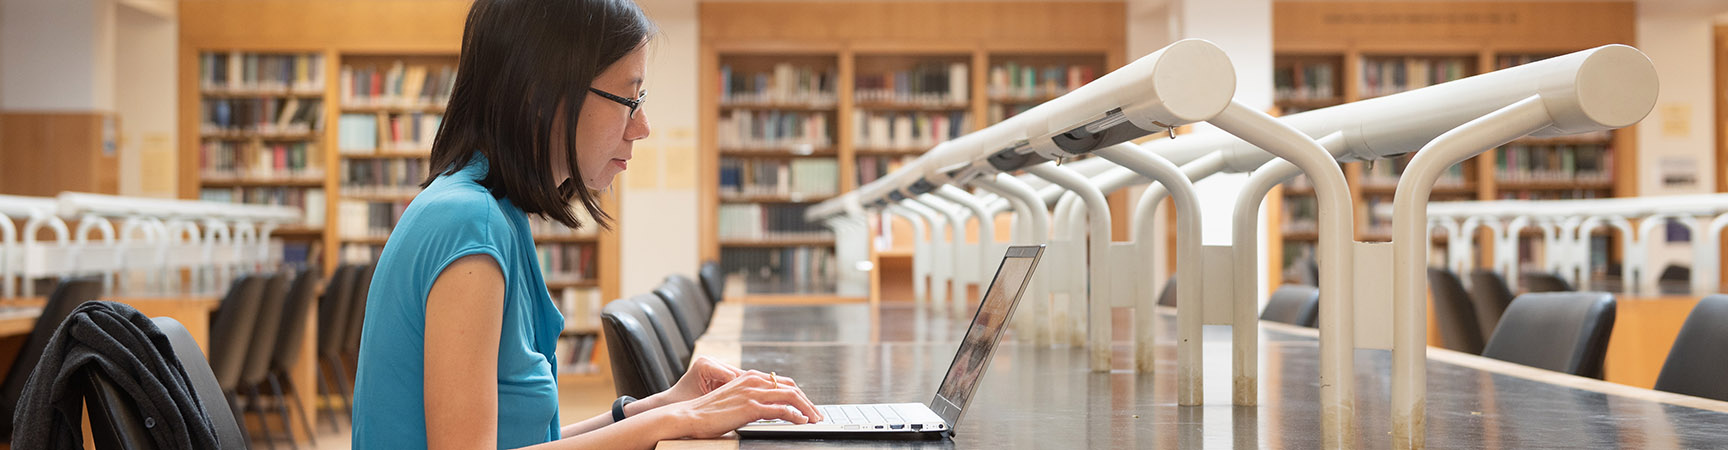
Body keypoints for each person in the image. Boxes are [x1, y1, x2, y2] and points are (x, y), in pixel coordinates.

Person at [349, 0, 822, 448]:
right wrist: (679, 420)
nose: (643, 126)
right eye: (628, 99)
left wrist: (664, 404)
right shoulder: (468, 223)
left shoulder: (493, 213)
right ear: (542, 93)